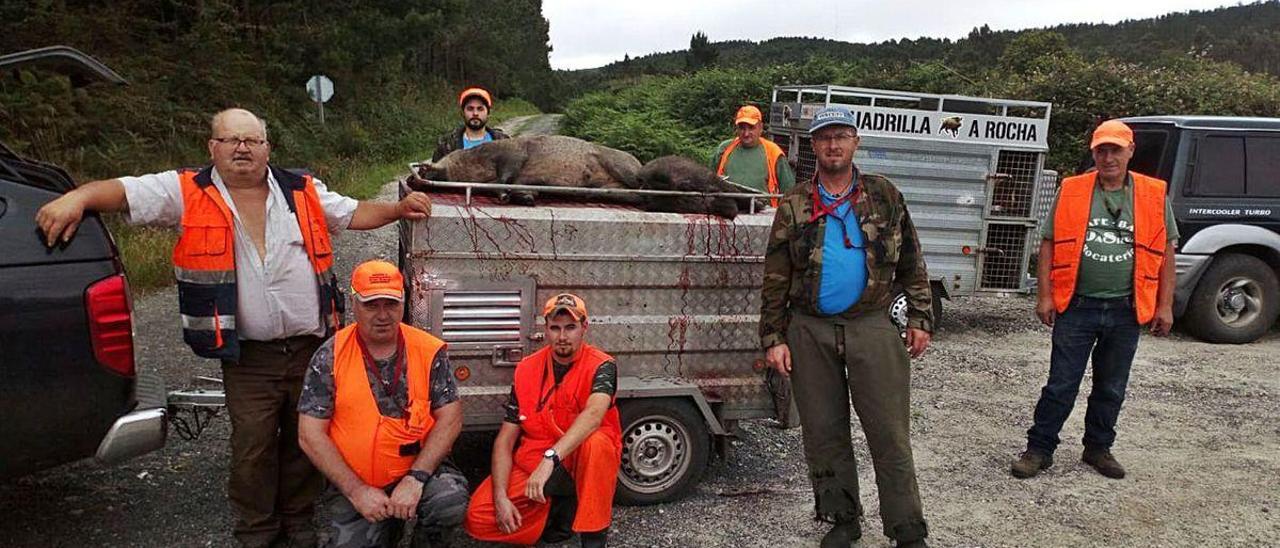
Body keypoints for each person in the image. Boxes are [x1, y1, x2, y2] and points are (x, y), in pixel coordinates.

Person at [35, 108, 433, 548]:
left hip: (312, 346)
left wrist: (397, 208)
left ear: (267, 148)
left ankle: (298, 521)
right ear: (213, 147)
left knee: (307, 440)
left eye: (252, 140)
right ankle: (257, 531)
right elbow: (124, 193)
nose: (241, 148)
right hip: (248, 354)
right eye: (231, 140)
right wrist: (77, 198)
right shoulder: (185, 190)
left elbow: (354, 213)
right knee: (252, 446)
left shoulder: (300, 190)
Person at [759, 105, 933, 548]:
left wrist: (919, 316)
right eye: (823, 137)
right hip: (809, 330)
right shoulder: (795, 203)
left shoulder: (884, 195)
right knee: (824, 431)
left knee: (889, 431)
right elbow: (776, 275)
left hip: (872, 325)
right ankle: (842, 518)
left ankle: (906, 527)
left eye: (841, 136)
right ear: (812, 145)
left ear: (856, 142)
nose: (833, 145)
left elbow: (912, 260)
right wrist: (774, 337)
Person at [1011, 119, 1178, 481]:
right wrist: (1044, 296)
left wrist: (1164, 305)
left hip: (1126, 309)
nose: (1108, 157)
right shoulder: (1072, 190)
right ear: (1094, 153)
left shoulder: (1152, 194)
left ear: (1130, 151)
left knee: (1112, 386)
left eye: (1115, 149)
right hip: (1077, 306)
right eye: (1101, 149)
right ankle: (1039, 449)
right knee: (1061, 383)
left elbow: (1166, 252)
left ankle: (1098, 448)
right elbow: (1048, 244)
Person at [297, 260, 468, 547]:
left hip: (417, 470)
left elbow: (451, 419)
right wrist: (356, 491)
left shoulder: (428, 350)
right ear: (354, 305)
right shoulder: (330, 355)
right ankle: (385, 527)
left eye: (391, 304)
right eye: (371, 304)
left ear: (404, 303)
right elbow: (309, 434)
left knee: (448, 503)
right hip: (358, 478)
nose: (382, 315)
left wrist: (416, 478)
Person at [464, 294, 620, 548]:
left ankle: (593, 537)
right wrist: (501, 497)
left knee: (598, 444)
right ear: (545, 329)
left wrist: (551, 459)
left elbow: (594, 415)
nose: (562, 336)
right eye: (555, 328)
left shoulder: (603, 365)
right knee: (479, 517)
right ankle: (553, 512)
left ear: (584, 327)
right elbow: (505, 439)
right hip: (535, 459)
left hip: (578, 455)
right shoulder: (526, 368)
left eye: (570, 327)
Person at [710, 104, 796, 204]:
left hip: (763, 215)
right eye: (742, 128)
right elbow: (709, 182)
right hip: (727, 211)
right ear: (737, 128)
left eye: (751, 128)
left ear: (761, 128)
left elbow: (790, 192)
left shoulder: (773, 152)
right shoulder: (724, 149)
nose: (746, 133)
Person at [432, 87, 510, 162]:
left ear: (488, 113)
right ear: (462, 113)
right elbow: (434, 173)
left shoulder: (504, 141)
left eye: (480, 109)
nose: (475, 113)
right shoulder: (447, 145)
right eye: (470, 109)